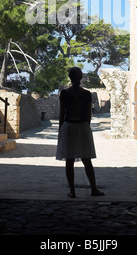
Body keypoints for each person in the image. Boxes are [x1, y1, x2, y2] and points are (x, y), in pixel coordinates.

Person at [56, 67, 104, 198]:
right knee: (87, 160)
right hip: (82, 126)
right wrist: (85, 129)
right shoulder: (86, 94)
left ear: (70, 78)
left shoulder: (64, 93)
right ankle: (94, 189)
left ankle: (72, 191)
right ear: (81, 78)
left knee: (69, 160)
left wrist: (61, 131)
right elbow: (88, 115)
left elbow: (62, 114)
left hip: (68, 127)